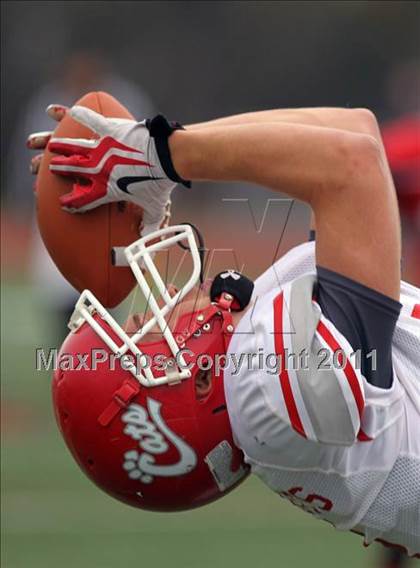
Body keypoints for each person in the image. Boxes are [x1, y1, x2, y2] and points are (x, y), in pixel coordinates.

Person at [28, 105, 420, 557]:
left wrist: (154, 154)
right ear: (194, 382)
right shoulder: (264, 398)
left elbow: (355, 129)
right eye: (146, 331)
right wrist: (157, 156)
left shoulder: (261, 403)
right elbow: (351, 164)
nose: (166, 296)